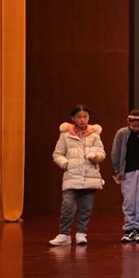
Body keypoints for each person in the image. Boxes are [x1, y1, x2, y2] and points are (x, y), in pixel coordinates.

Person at [49, 105, 106, 246]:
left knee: (86, 208)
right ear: (73, 118)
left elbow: (102, 153)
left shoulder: (94, 135)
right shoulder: (65, 135)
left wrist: (96, 156)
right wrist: (66, 164)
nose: (82, 120)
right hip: (72, 177)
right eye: (79, 117)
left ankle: (81, 233)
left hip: (90, 177)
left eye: (85, 117)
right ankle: (64, 235)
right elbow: (57, 154)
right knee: (67, 206)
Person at [111, 110, 139, 243]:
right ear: (128, 122)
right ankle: (129, 229)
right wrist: (117, 169)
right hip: (127, 171)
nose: (136, 128)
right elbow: (116, 152)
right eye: (134, 126)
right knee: (129, 201)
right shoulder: (121, 134)